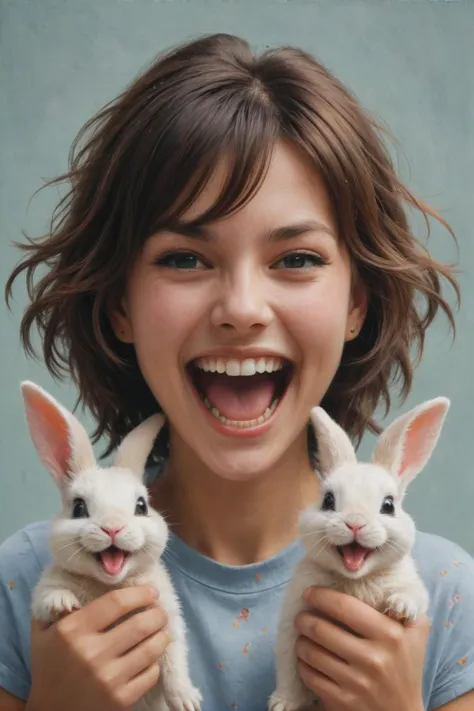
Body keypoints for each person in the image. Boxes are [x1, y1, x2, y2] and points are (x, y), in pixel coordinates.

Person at [0, 32, 473, 711]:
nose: (242, 309)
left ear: (356, 303)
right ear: (119, 304)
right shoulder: (26, 585)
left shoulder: (444, 595)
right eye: (185, 258)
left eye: (298, 259)